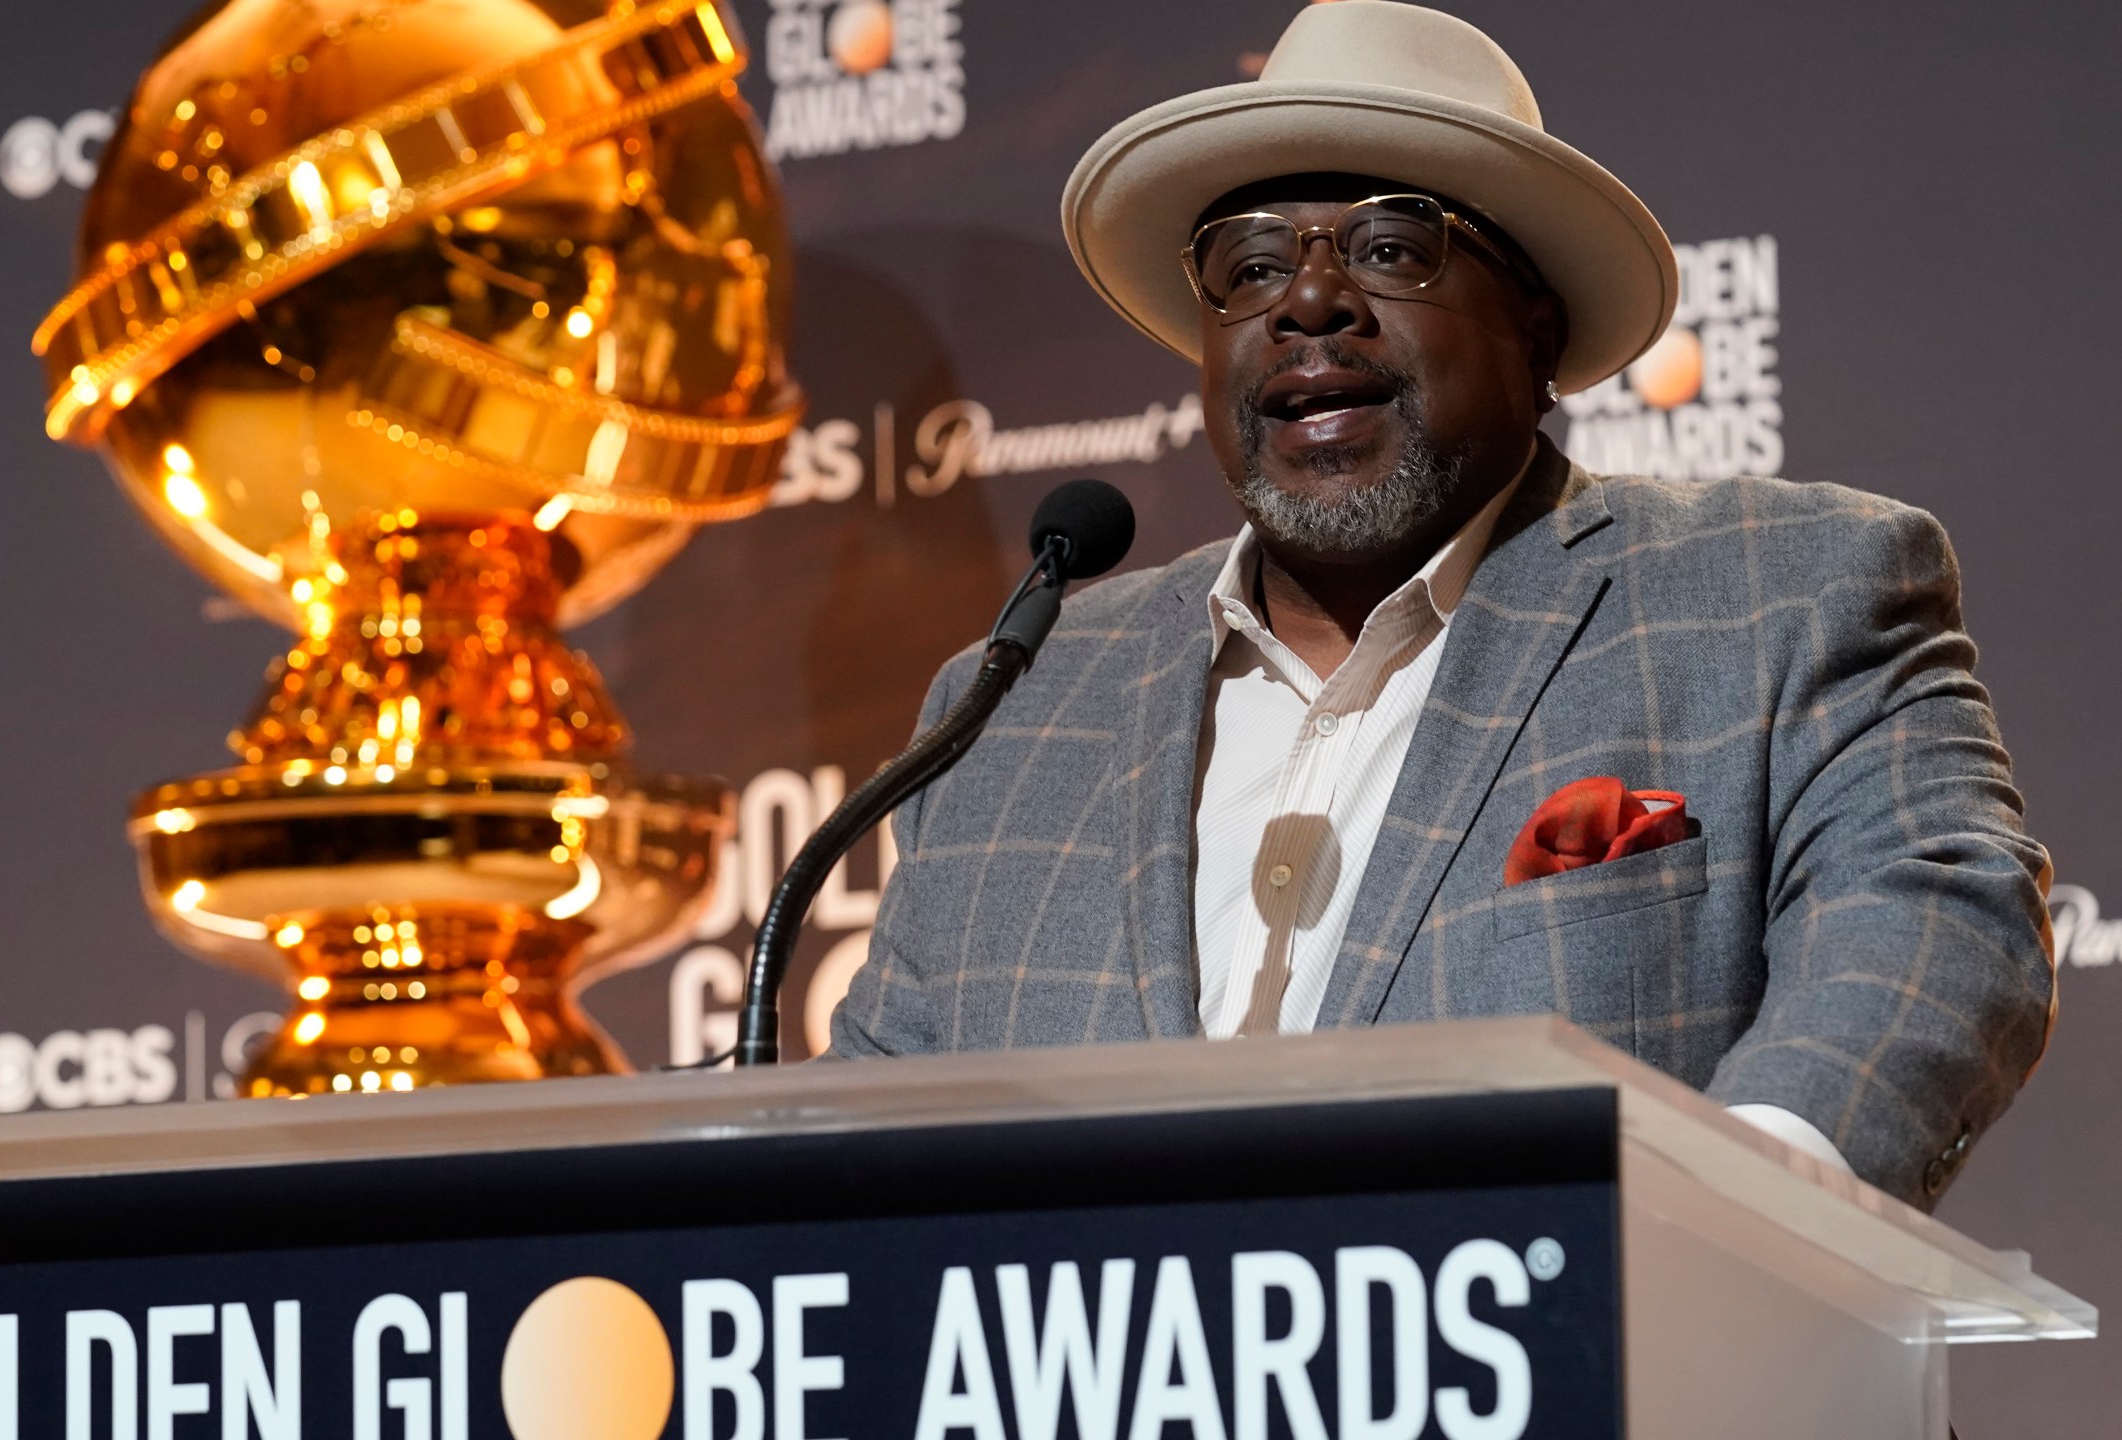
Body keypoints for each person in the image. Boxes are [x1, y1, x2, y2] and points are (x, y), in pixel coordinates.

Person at [828, 0, 2053, 1211]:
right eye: (1250, 268)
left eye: (1390, 249)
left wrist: (1736, 1222)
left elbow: (1932, 912)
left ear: (1537, 328)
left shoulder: (1783, 589)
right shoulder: (1014, 708)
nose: (1307, 305)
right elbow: (870, 1126)